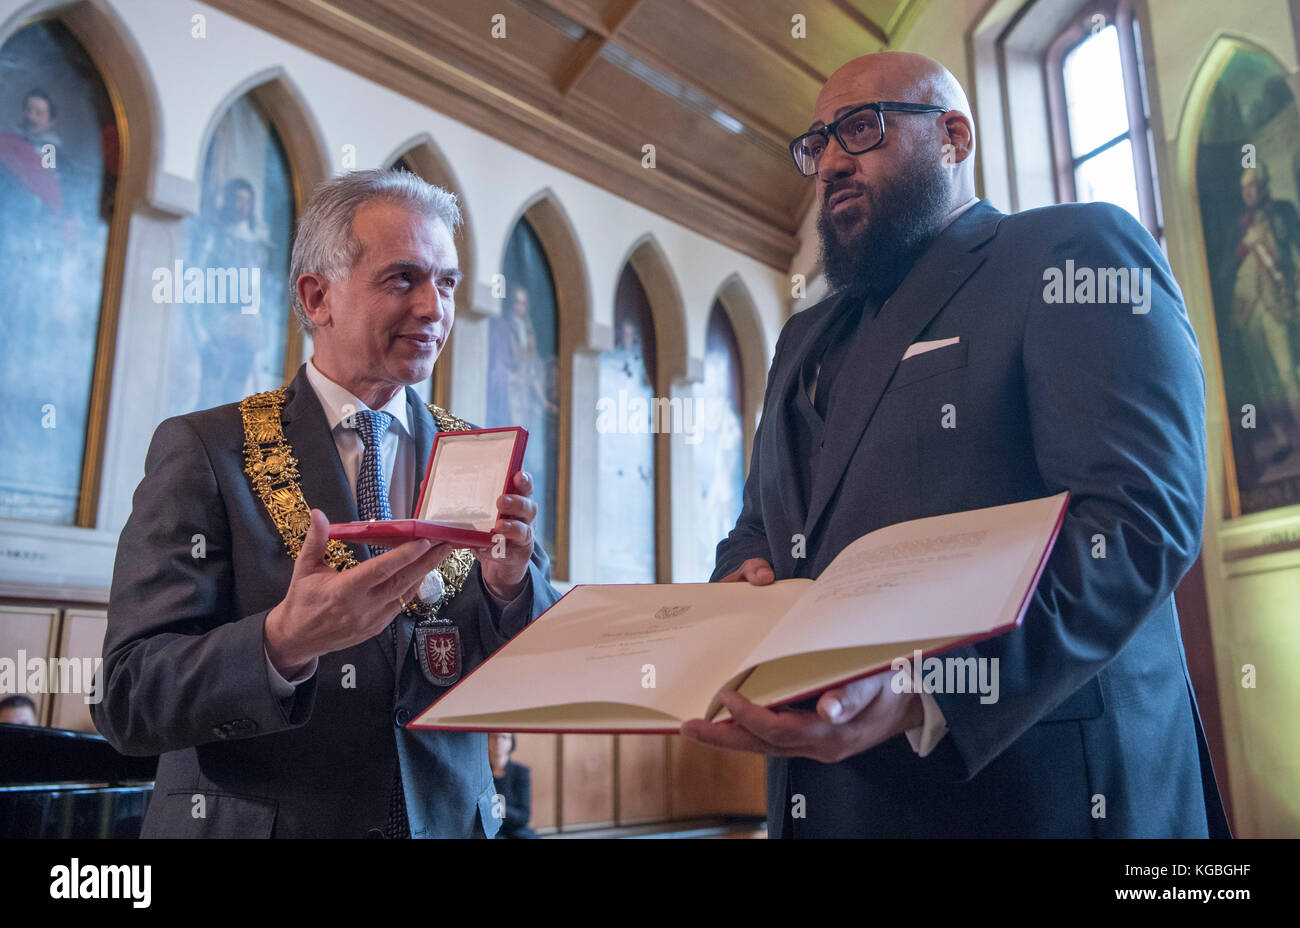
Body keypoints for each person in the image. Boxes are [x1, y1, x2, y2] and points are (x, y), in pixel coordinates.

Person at [680, 52, 1230, 838]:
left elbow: (1136, 520)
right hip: (828, 798)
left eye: (859, 129)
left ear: (954, 136)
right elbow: (765, 524)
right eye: (816, 144)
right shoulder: (806, 336)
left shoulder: (1070, 251)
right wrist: (740, 576)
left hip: (1036, 791)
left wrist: (926, 689)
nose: (830, 161)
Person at [92, 168, 558, 837]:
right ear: (317, 297)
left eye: (447, 283)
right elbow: (128, 699)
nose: (434, 307)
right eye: (404, 279)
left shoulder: (477, 456)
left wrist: (511, 589)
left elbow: (527, 671)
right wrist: (281, 643)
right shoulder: (206, 450)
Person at [488, 732, 536, 838]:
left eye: (504, 737)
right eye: (494, 736)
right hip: (489, 831)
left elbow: (523, 817)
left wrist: (498, 809)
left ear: (511, 742)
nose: (498, 741)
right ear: (487, 740)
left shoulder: (521, 772)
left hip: (515, 831)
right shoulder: (481, 774)